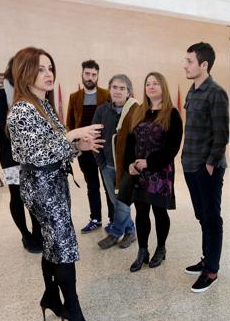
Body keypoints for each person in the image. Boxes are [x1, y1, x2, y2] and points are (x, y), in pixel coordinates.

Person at [7, 47, 104, 321]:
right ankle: (73, 310)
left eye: (50, 68)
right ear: (25, 73)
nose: (48, 73)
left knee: (53, 243)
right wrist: (72, 134)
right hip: (41, 188)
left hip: (54, 184)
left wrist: (78, 147)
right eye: (40, 68)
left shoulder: (44, 104)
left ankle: (51, 296)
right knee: (64, 246)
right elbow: (34, 154)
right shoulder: (21, 111)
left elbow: (56, 148)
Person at [182, 42, 229, 293]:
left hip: (206, 167)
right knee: (202, 217)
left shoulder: (216, 92)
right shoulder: (192, 90)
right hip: (190, 164)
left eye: (189, 61)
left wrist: (210, 164)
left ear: (204, 65)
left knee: (211, 218)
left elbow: (221, 135)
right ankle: (206, 257)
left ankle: (211, 270)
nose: (185, 65)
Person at [125, 72, 183, 272]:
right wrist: (130, 165)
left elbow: (172, 149)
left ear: (163, 87)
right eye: (148, 83)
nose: (151, 86)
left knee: (159, 211)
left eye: (155, 83)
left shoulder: (172, 114)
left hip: (160, 171)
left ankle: (161, 248)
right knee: (141, 211)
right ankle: (142, 251)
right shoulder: (139, 111)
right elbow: (129, 141)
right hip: (139, 172)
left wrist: (148, 162)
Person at [0, 56, 43, 253]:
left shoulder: (33, 94)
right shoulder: (1, 95)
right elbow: (5, 127)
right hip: (11, 157)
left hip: (32, 156)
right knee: (17, 196)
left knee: (34, 196)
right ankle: (25, 234)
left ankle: (38, 232)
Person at [66, 59, 113, 234]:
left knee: (108, 185)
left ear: (98, 76)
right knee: (92, 185)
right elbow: (70, 123)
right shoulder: (74, 97)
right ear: (82, 74)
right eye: (87, 74)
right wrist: (77, 143)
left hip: (103, 148)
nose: (90, 77)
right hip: (84, 150)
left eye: (94, 74)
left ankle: (113, 219)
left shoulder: (106, 95)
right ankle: (95, 218)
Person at [94, 74, 138, 250]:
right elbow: (95, 138)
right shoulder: (102, 111)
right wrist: (101, 163)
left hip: (126, 167)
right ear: (109, 89)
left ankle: (115, 233)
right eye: (115, 87)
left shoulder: (135, 110)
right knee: (115, 201)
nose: (118, 91)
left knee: (122, 201)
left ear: (128, 92)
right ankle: (130, 231)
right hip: (107, 166)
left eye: (122, 88)